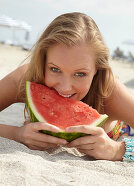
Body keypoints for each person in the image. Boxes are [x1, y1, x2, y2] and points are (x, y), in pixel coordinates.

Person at [0, 12, 134, 161]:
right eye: (55, 69)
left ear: (97, 69)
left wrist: (116, 150)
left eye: (80, 74)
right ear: (43, 61)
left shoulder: (109, 91)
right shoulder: (26, 77)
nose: (65, 87)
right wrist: (16, 133)